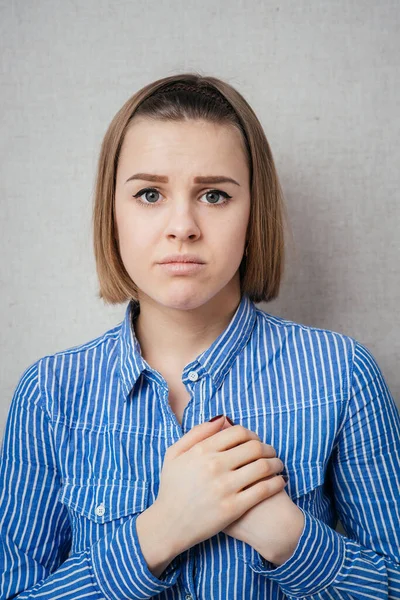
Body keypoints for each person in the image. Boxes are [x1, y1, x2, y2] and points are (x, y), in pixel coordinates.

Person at [0, 73, 399, 600]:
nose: (182, 225)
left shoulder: (341, 375)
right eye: (149, 194)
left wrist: (291, 539)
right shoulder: (50, 395)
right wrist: (158, 534)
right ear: (112, 213)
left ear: (254, 211)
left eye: (214, 195)